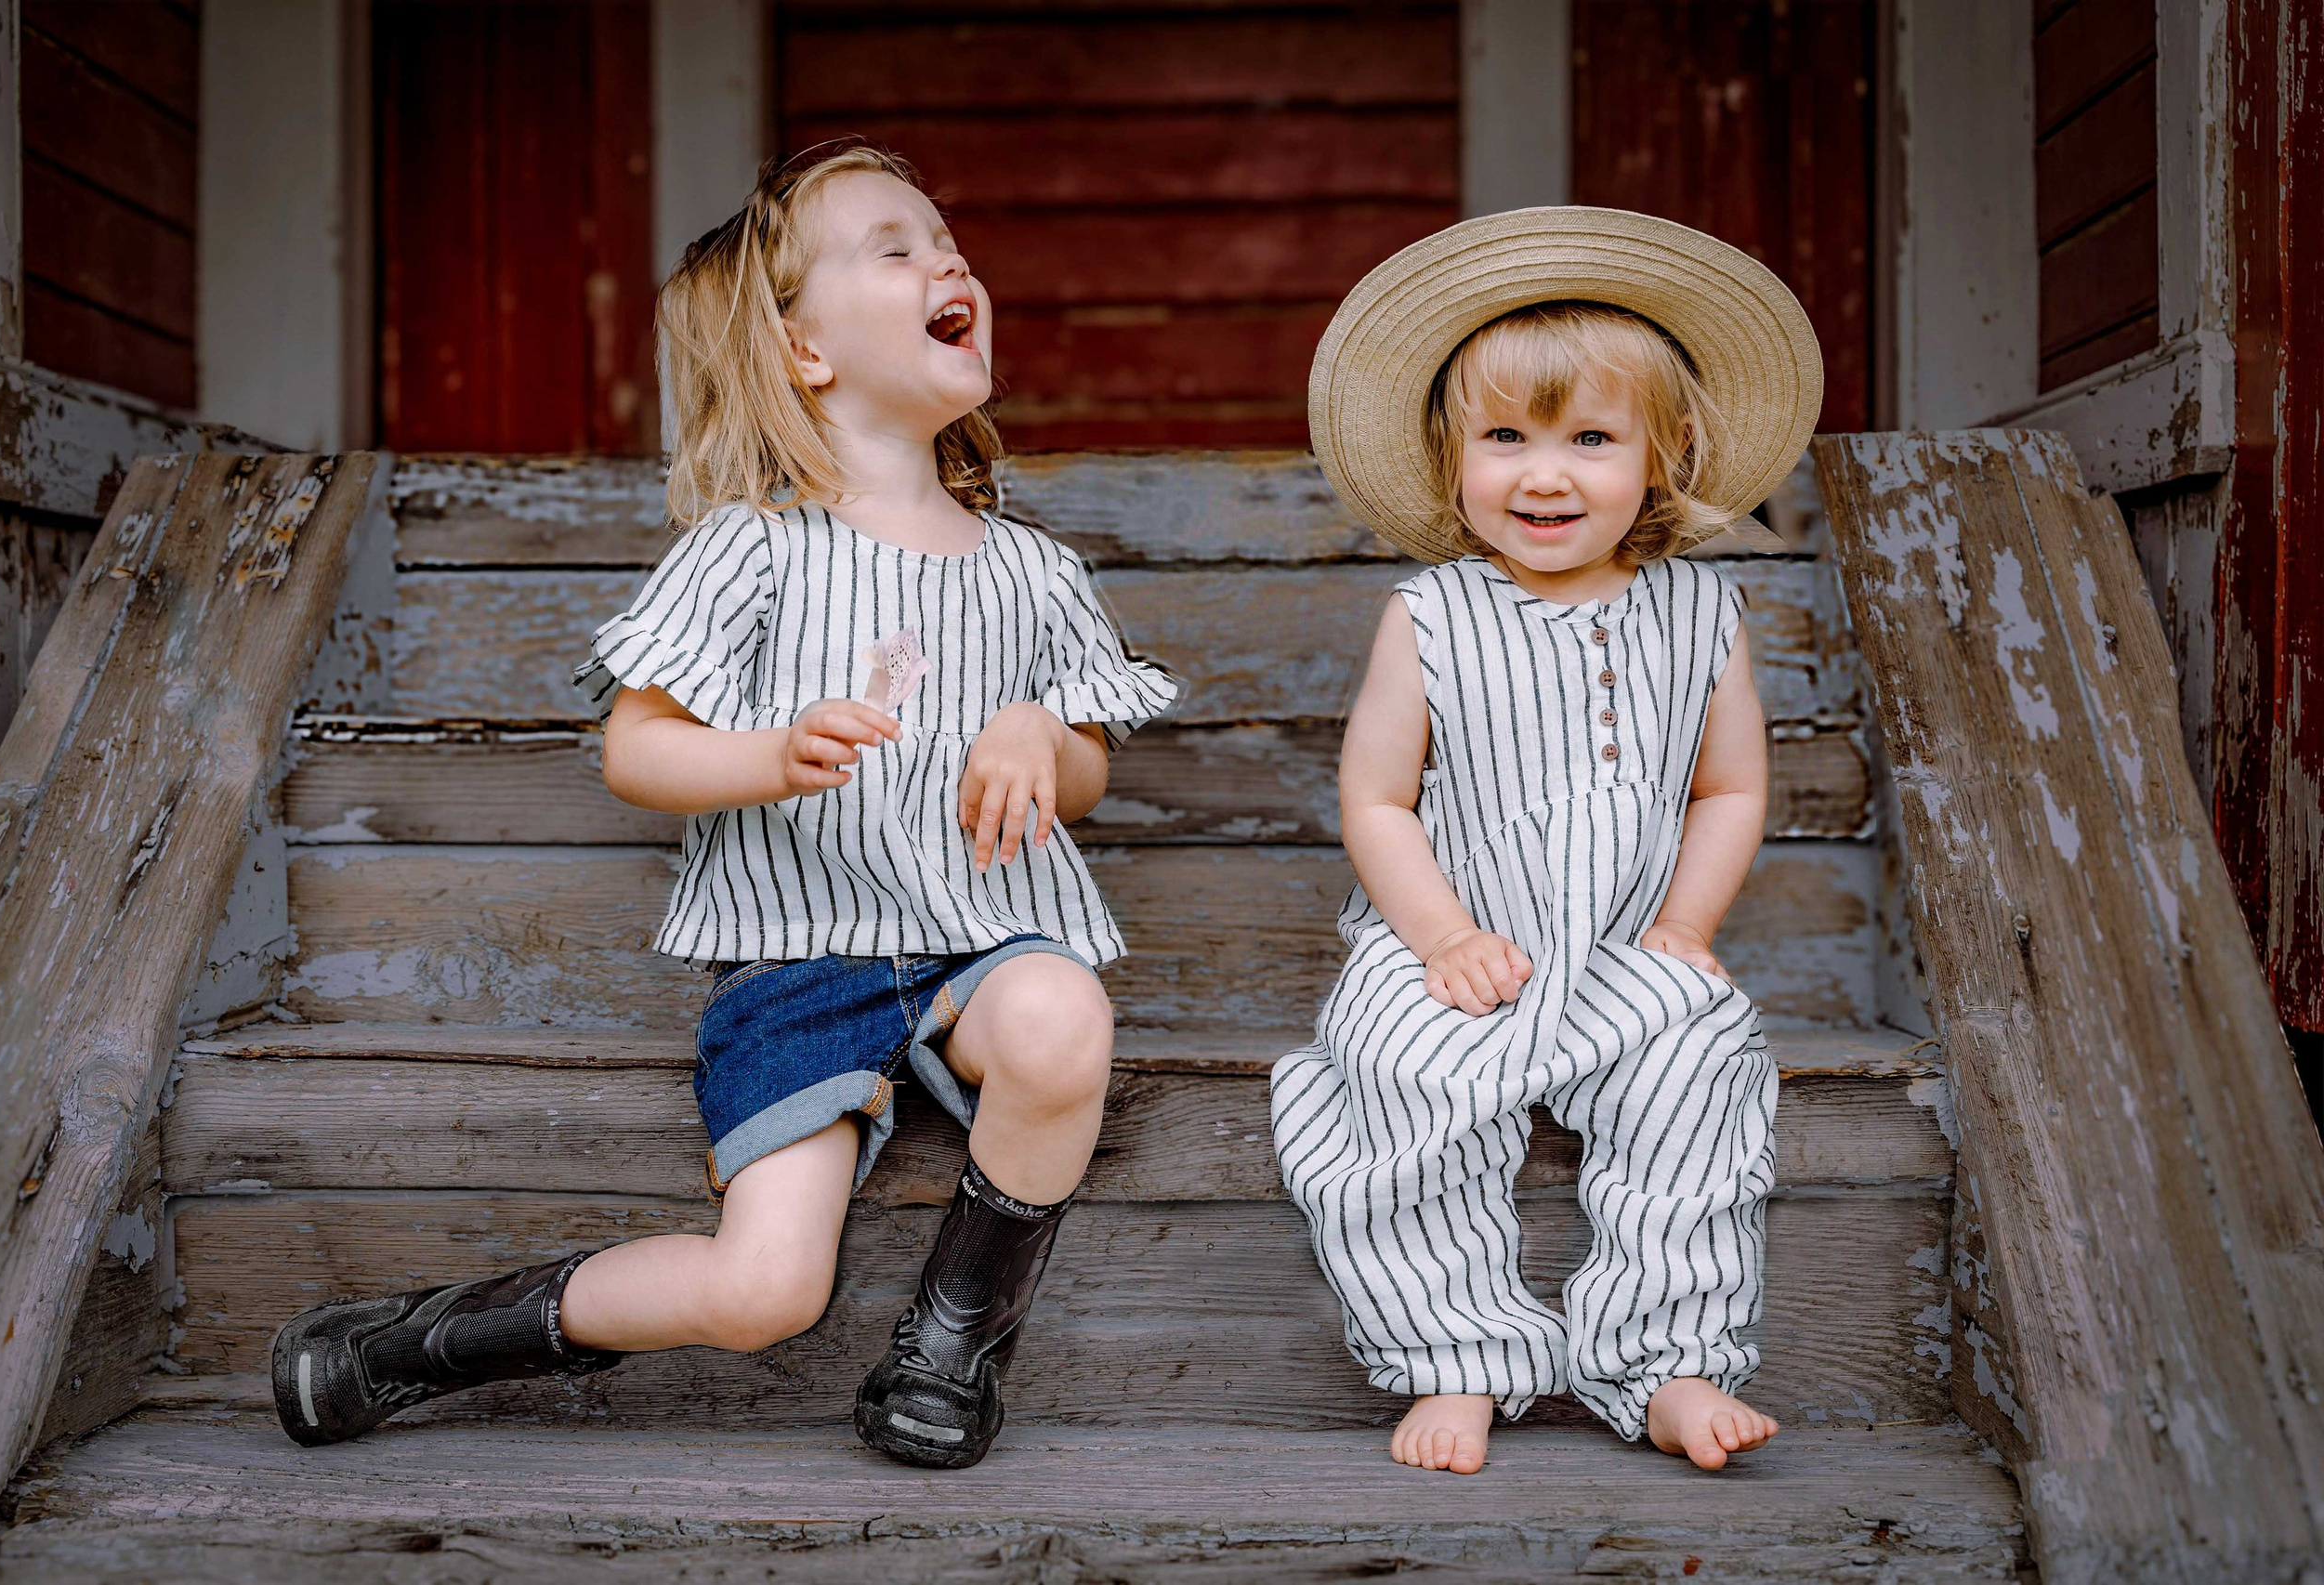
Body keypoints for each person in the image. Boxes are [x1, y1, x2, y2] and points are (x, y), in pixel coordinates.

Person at [270, 144, 1175, 1470]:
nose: (950, 261)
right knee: (764, 1291)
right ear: (804, 351)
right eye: (897, 246)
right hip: (805, 964)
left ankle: (952, 1341)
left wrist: (1043, 734)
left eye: (948, 241)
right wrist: (770, 754)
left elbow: (1085, 765)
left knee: (1062, 1015)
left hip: (985, 942)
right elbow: (637, 749)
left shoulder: (1033, 570)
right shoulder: (752, 545)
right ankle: (411, 1342)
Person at [1272, 208, 1825, 1475]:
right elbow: (1378, 802)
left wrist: (1685, 930)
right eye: (1506, 438)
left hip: (1626, 947)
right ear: (1450, 456)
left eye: (1590, 438)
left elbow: (1728, 787)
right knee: (1408, 1088)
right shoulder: (1435, 615)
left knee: (1700, 1065)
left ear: (1663, 453)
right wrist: (1442, 934)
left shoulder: (1701, 608)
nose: (1544, 473)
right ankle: (1458, 1352)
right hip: (1456, 948)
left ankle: (1670, 1357)